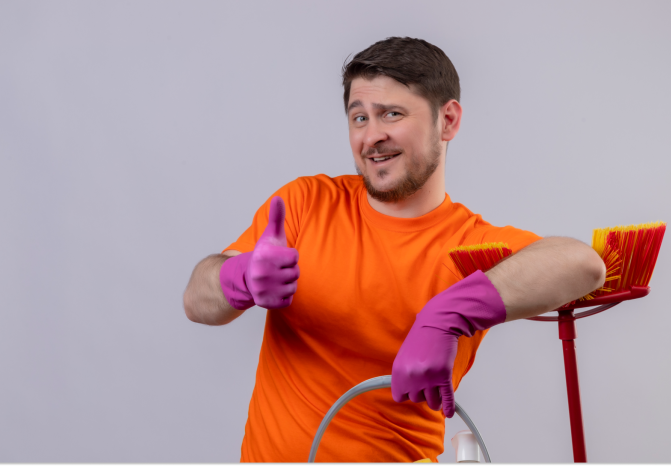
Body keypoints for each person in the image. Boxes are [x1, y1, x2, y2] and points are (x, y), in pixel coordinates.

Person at [183, 36, 605, 463]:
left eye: (392, 114)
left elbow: (583, 264)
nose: (372, 136)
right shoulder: (306, 204)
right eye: (359, 117)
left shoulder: (469, 245)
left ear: (449, 121)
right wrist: (238, 278)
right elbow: (197, 301)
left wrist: (449, 314)